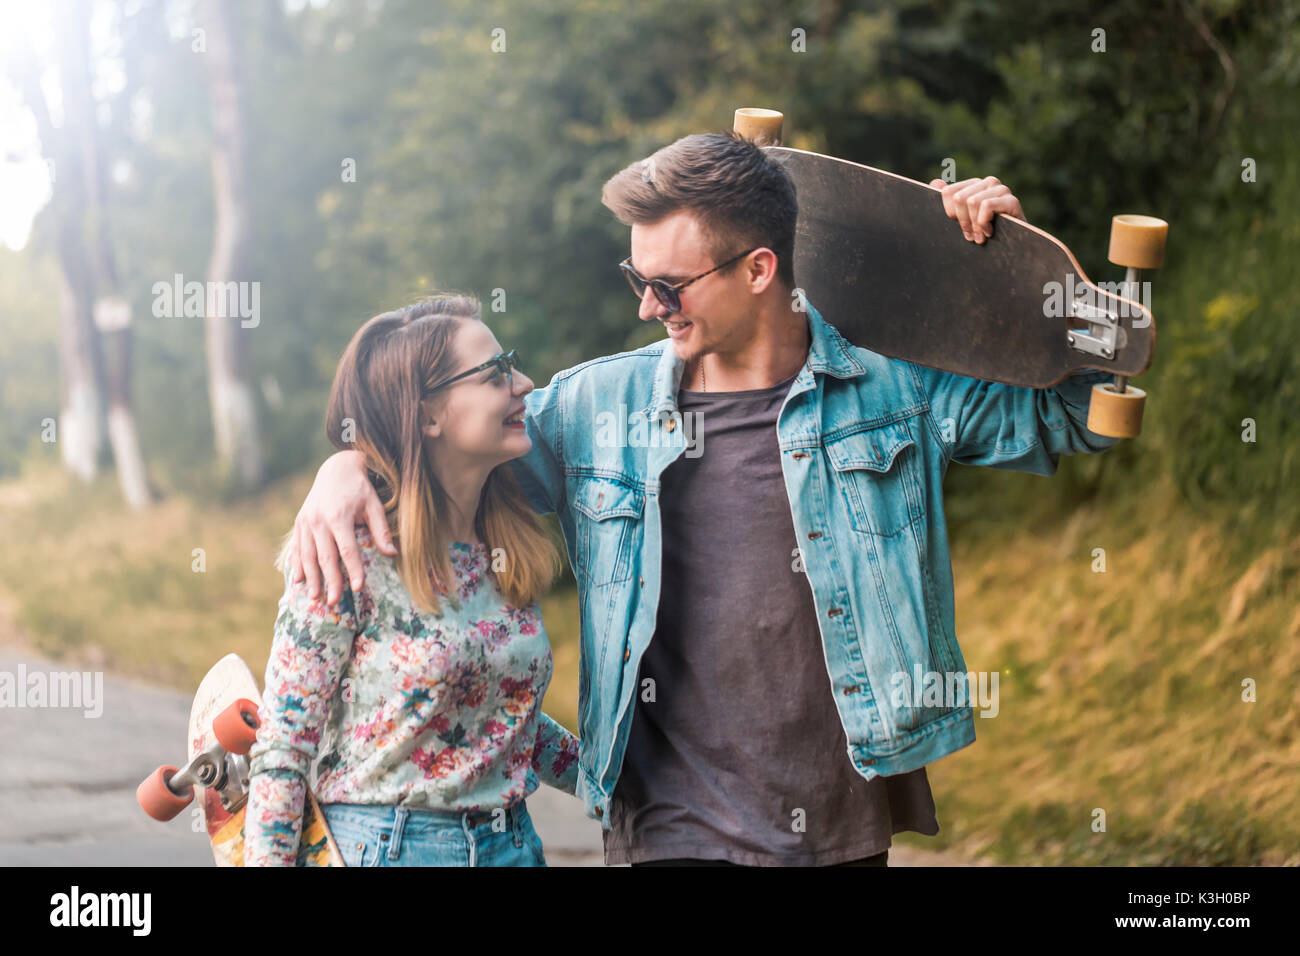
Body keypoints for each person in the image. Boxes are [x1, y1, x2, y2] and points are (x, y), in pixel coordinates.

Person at [287, 133, 1120, 866]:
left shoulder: (893, 393)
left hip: (842, 815)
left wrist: (1011, 272)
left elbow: (1088, 415)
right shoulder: (593, 411)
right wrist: (350, 465)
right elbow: (437, 443)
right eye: (635, 278)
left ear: (760, 270)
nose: (648, 307)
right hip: (667, 829)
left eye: (669, 285)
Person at [245, 293, 580, 867]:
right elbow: (283, 750)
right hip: (386, 848)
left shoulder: (501, 545)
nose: (523, 383)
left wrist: (619, 780)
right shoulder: (348, 549)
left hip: (512, 846)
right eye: (496, 373)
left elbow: (500, 717)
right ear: (426, 415)